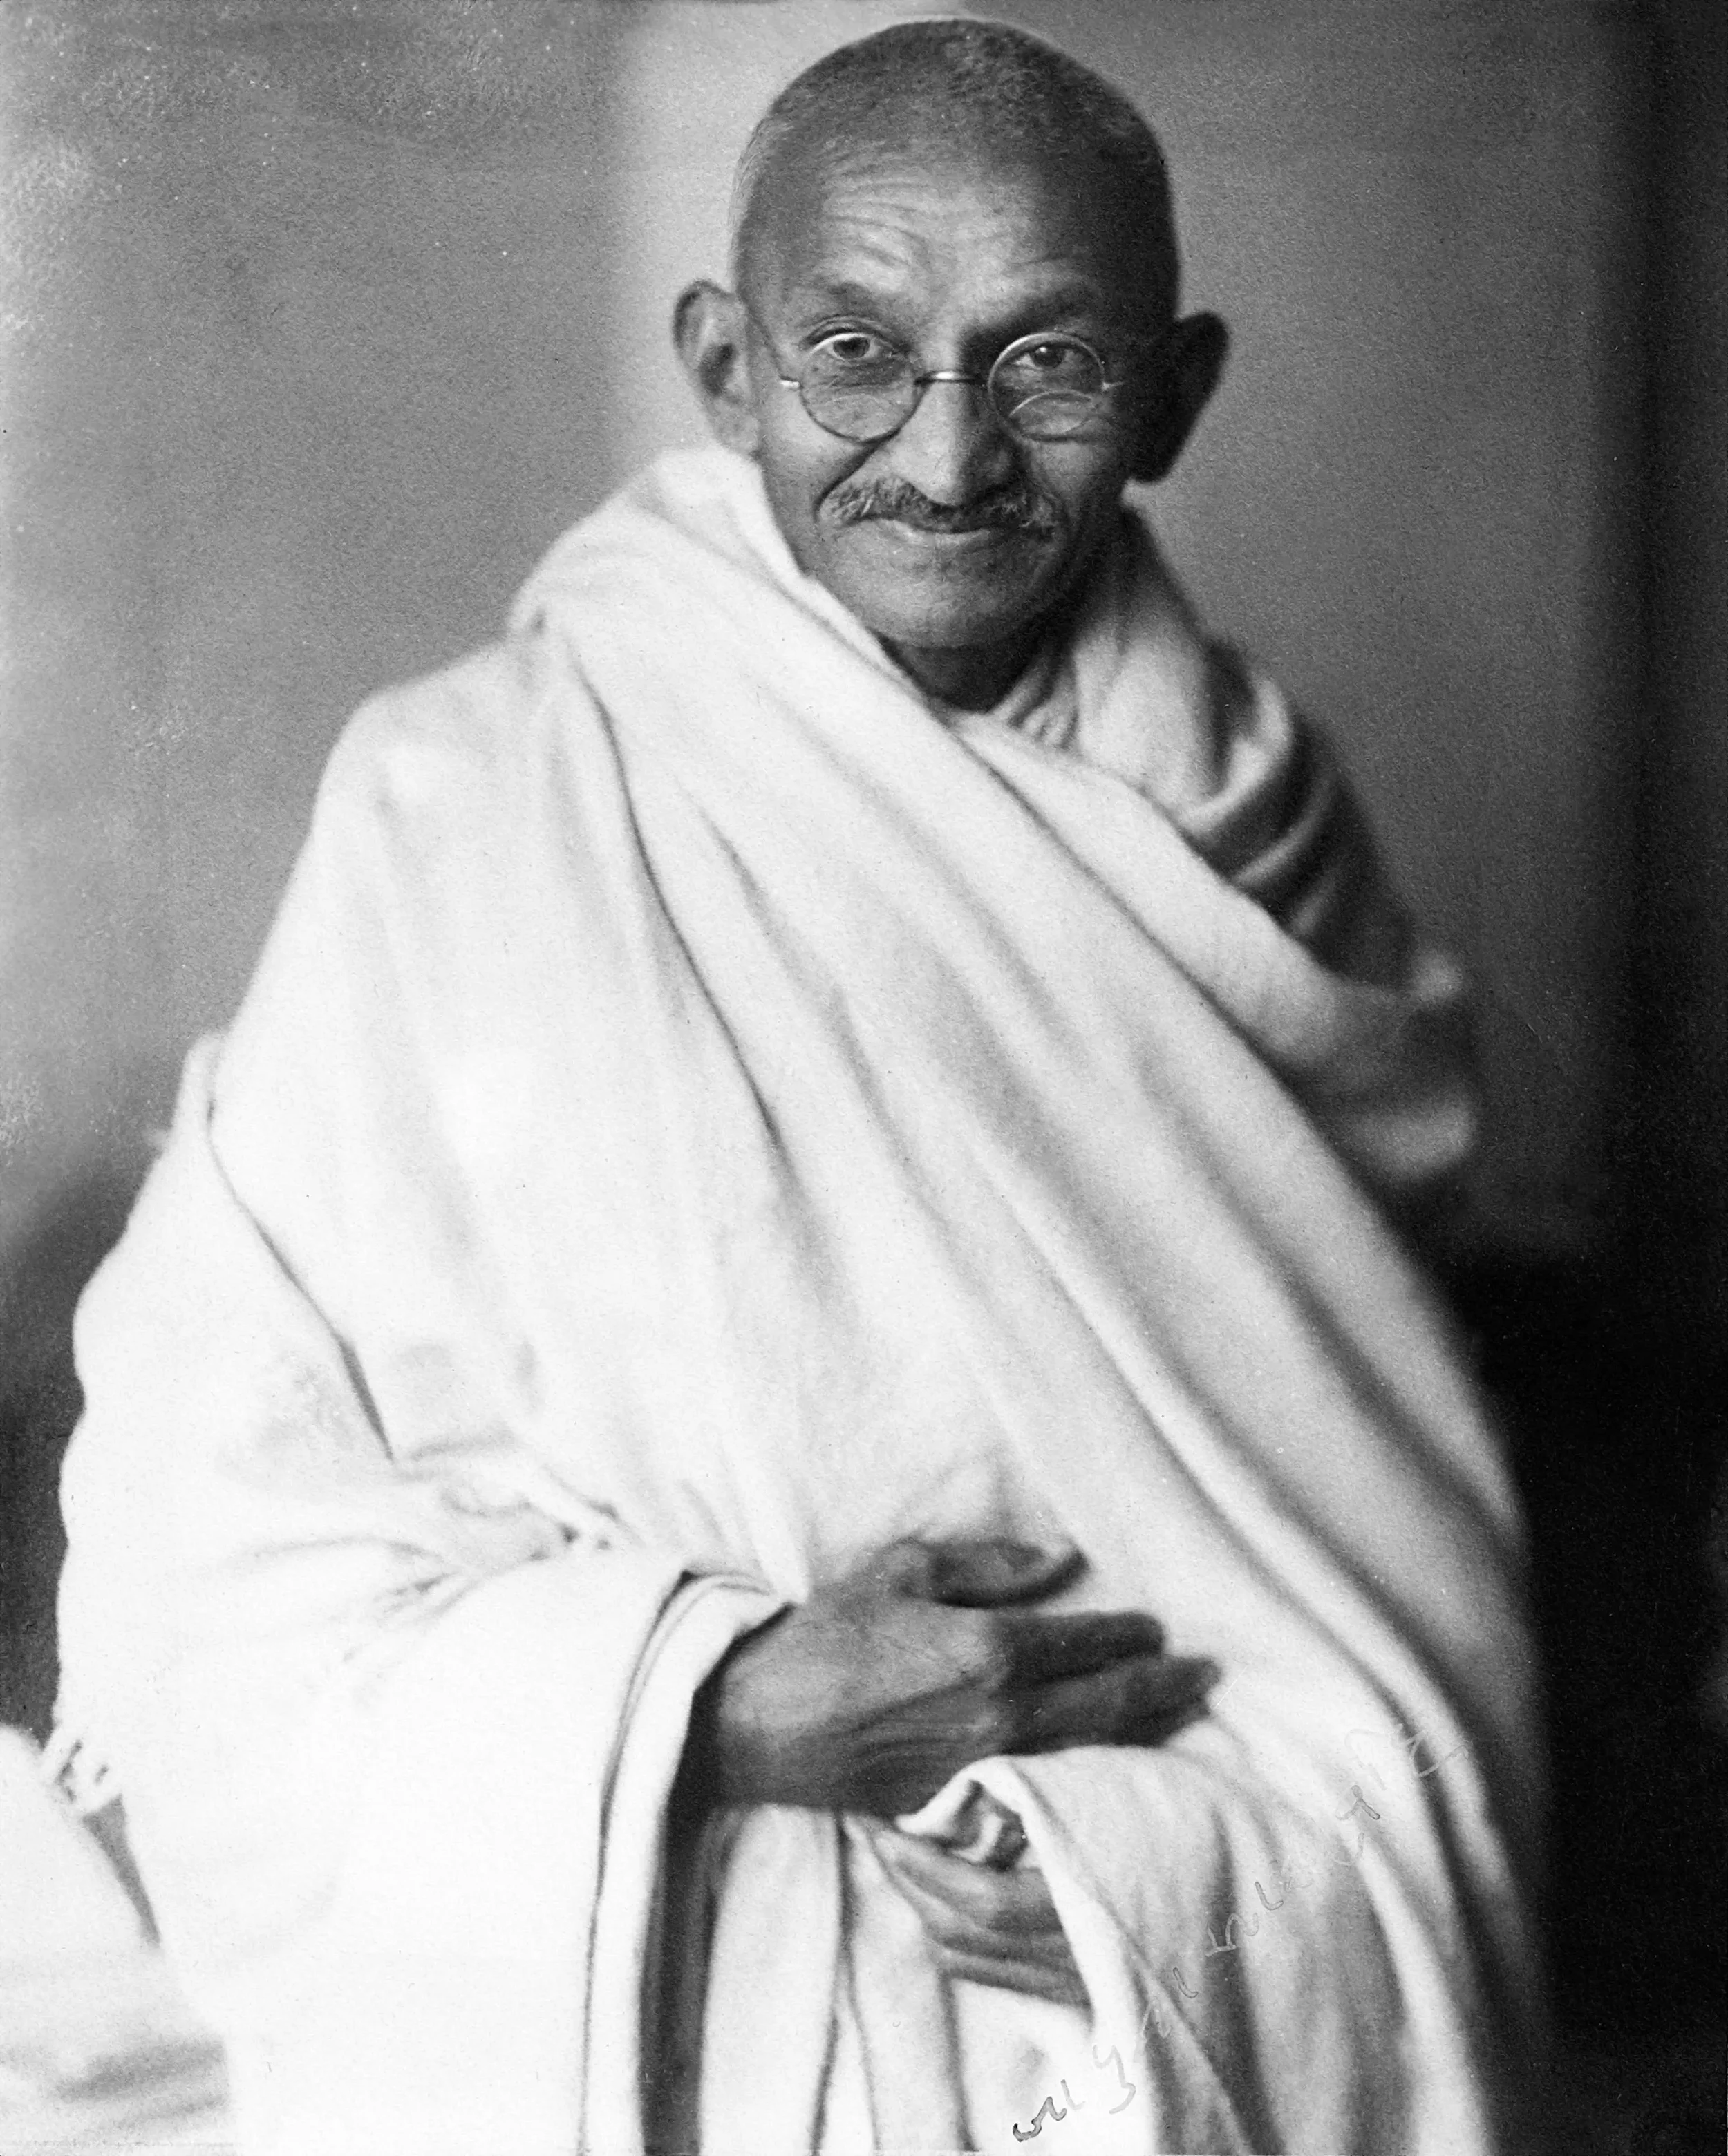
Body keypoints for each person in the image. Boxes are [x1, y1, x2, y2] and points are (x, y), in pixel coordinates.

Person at [53, 19, 1545, 2155]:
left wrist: (1158, 1896)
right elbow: (206, 1546)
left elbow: (1398, 1630)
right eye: (856, 351)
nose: (945, 461)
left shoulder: (1261, 845)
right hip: (665, 2001)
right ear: (723, 365)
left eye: (1049, 364)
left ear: (1181, 391)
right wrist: (705, 1713)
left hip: (1104, 2023)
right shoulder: (470, 801)